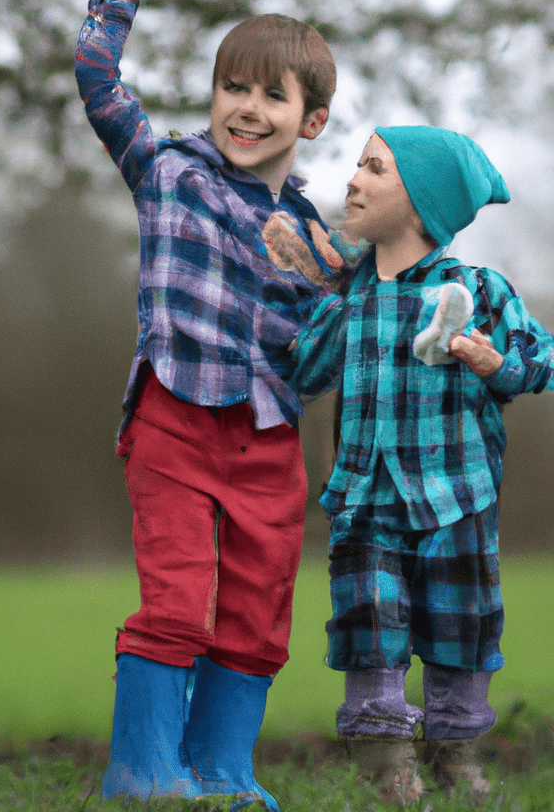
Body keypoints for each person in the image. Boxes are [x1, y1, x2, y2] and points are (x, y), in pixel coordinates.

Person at [74, 0, 353, 808]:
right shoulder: (167, 172)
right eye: (232, 87)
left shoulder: (318, 241)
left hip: (268, 440)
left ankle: (221, 771)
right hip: (174, 416)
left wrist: (334, 293)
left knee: (259, 606)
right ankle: (144, 772)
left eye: (270, 96)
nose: (245, 108)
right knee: (177, 595)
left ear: (309, 121)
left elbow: (316, 362)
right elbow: (99, 82)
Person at [289, 125, 554, 806]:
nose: (352, 179)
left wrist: (500, 365)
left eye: (375, 168)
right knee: (368, 625)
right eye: (356, 164)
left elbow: (545, 360)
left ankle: (455, 753)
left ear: (422, 206)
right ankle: (385, 763)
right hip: (365, 496)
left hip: (456, 494)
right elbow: (305, 373)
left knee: (460, 624)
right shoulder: (351, 296)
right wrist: (327, 296)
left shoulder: (478, 290)